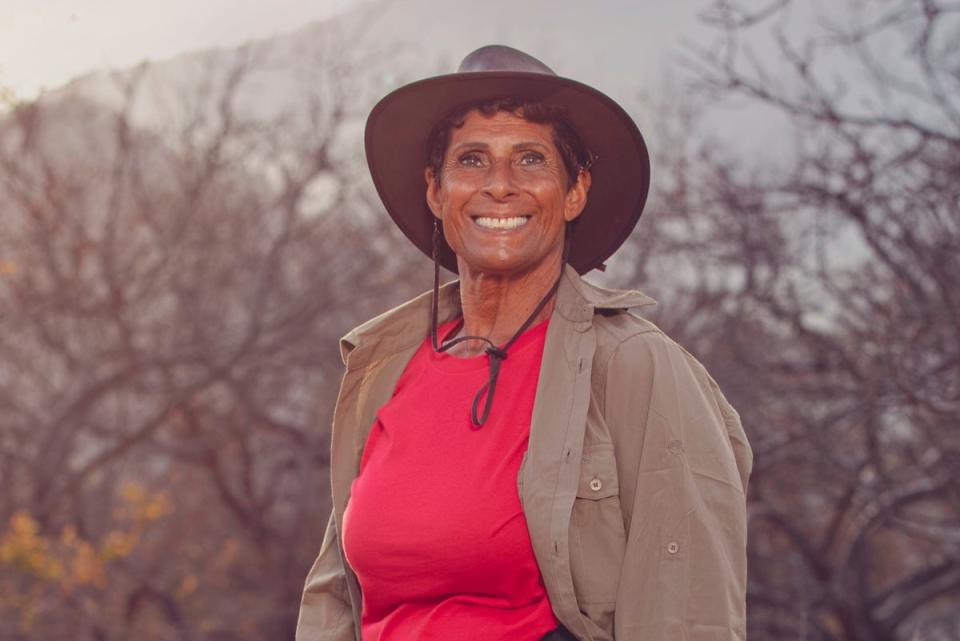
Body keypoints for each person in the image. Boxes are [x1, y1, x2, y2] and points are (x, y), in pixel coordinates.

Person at [296, 45, 752, 641]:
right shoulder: (385, 369)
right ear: (437, 191)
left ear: (574, 192)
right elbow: (333, 600)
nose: (501, 186)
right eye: (472, 160)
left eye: (531, 159)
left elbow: (689, 612)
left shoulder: (634, 365)